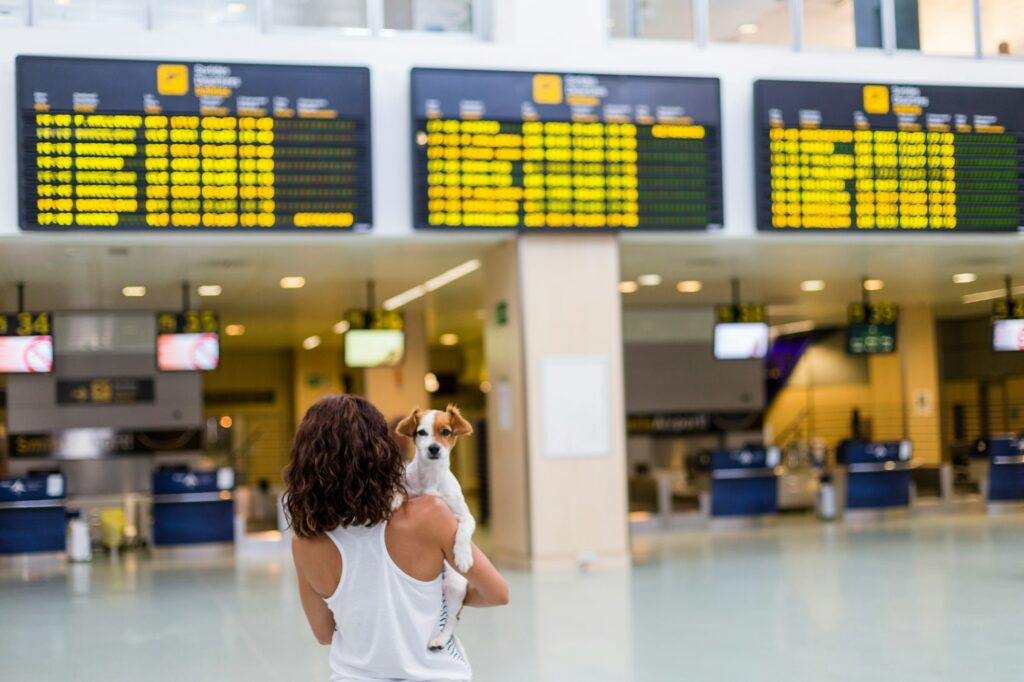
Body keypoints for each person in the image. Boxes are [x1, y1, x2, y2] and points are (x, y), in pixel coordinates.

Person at [286, 394, 509, 682]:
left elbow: (324, 633)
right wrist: (441, 600)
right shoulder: (431, 514)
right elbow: (498, 593)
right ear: (380, 452)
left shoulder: (304, 543)